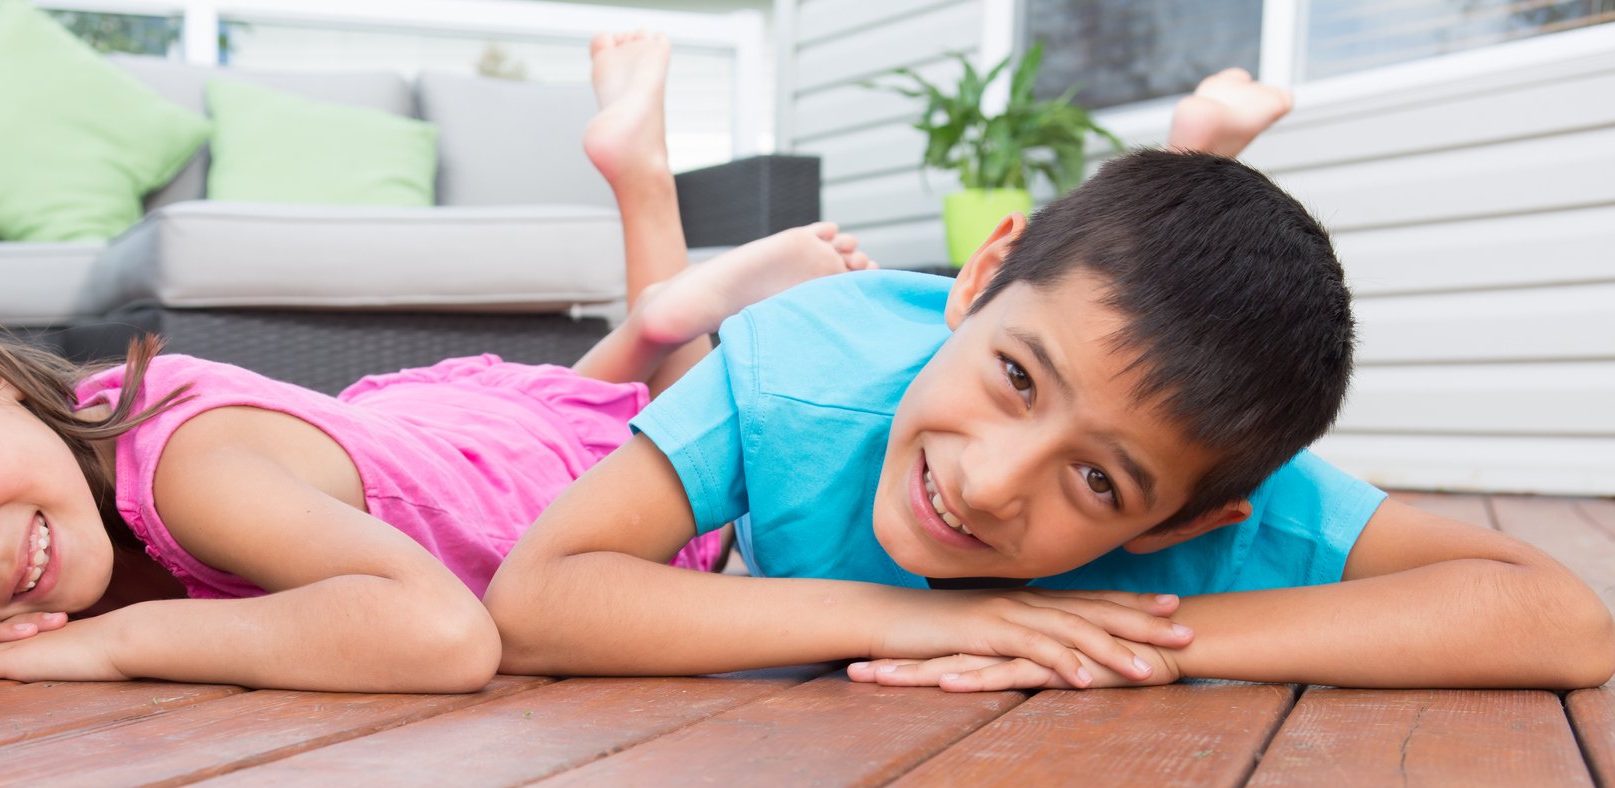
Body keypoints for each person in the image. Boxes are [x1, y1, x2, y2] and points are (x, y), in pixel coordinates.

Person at [0, 32, 874, 691]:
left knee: (664, 431)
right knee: (604, 393)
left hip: (534, 503)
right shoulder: (25, 497)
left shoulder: (186, 469)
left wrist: (104, 648)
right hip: (424, 450)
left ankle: (654, 227)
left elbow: (439, 636)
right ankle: (662, 305)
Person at [486, 97, 1615, 692]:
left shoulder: (1222, 482)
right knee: (660, 364)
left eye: (1096, 479)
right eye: (1016, 377)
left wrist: (1157, 642)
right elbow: (537, 603)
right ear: (978, 278)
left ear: (1180, 522)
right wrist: (934, 617)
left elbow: (1560, 619)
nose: (984, 480)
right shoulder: (805, 364)